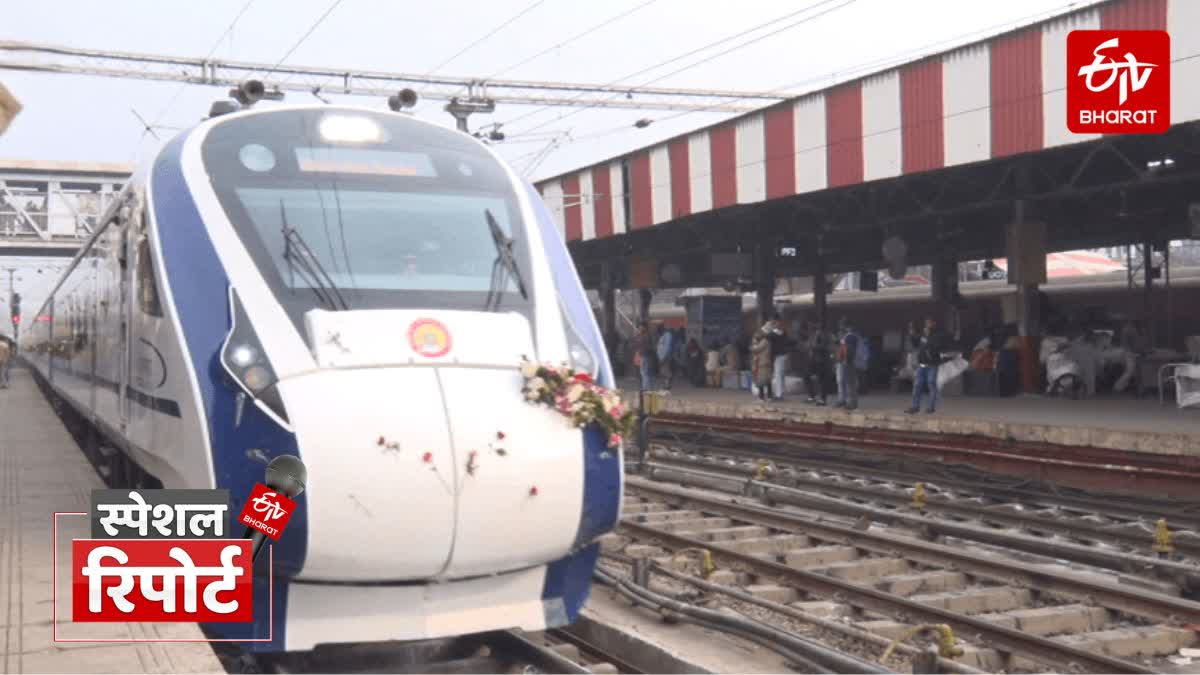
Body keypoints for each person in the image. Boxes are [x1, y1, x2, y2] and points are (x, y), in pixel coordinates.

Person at [907, 318, 946, 414]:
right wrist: (912, 334)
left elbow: (936, 347)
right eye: (926, 323)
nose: (927, 325)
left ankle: (931, 407)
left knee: (931, 384)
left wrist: (928, 337)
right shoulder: (923, 336)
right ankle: (915, 406)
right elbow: (915, 344)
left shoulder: (938, 335)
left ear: (934, 323)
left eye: (929, 323)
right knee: (917, 386)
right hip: (922, 365)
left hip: (932, 365)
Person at [834, 317, 859, 410]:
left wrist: (846, 360)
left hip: (847, 362)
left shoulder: (851, 336)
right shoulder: (844, 336)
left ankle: (851, 402)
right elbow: (841, 347)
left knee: (850, 383)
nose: (841, 327)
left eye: (843, 325)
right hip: (842, 361)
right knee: (841, 381)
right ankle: (842, 400)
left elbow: (849, 350)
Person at [767, 319, 794, 401]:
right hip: (783, 355)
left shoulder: (772, 334)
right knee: (781, 375)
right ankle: (780, 393)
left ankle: (779, 394)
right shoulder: (783, 333)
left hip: (778, 356)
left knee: (778, 374)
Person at [804, 322, 831, 405]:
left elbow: (823, 346)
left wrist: (813, 346)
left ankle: (822, 399)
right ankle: (812, 396)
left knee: (821, 380)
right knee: (807, 376)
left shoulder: (824, 335)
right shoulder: (814, 334)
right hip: (814, 359)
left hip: (821, 360)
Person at [750, 324, 774, 401]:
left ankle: (762, 397)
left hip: (763, 363)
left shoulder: (764, 341)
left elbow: (756, 349)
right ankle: (769, 396)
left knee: (762, 380)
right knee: (766, 380)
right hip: (764, 362)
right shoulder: (766, 341)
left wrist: (753, 344)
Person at [632, 322, 654, 391]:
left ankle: (646, 388)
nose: (639, 328)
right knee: (644, 372)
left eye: (641, 327)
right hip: (643, 355)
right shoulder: (643, 335)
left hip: (645, 355)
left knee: (644, 372)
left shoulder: (645, 336)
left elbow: (640, 343)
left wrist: (637, 336)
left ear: (644, 327)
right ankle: (648, 387)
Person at [656, 325, 675, 390]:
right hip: (661, 356)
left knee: (666, 371)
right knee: (663, 371)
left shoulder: (667, 335)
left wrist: (664, 357)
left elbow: (667, 347)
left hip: (665, 356)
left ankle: (667, 386)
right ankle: (666, 385)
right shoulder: (663, 336)